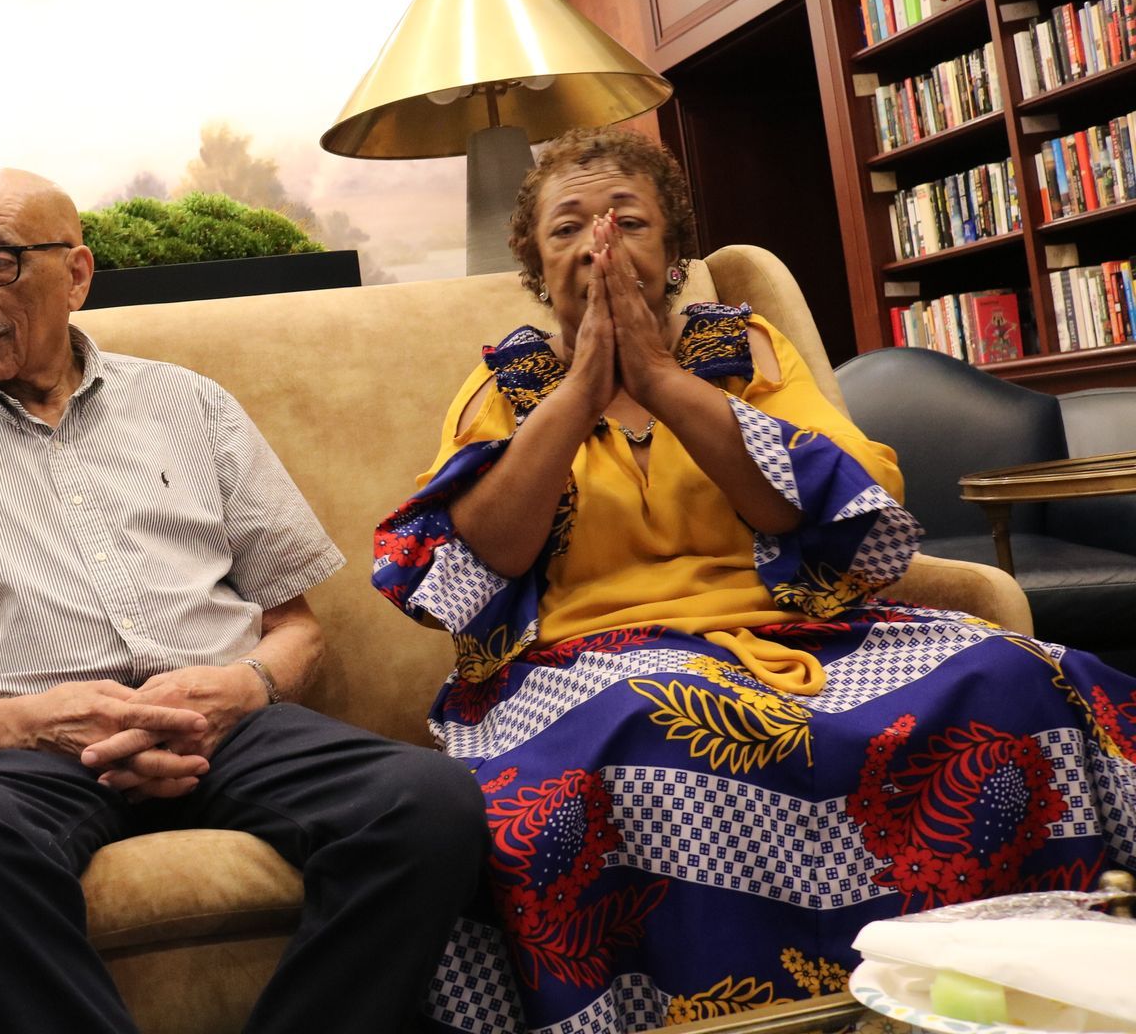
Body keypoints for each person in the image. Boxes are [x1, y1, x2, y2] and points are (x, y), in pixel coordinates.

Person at [373, 127, 1136, 1034]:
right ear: (538, 267)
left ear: (672, 250)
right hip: (586, 663)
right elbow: (483, 551)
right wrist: (580, 392)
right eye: (567, 228)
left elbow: (830, 500)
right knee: (655, 721)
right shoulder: (507, 387)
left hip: (798, 636)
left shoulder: (748, 351)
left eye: (628, 220)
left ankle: (1022, 989)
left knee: (1025, 676)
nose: (598, 244)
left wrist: (657, 375)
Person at [0, 168, 489, 1033]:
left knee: (427, 801)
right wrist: (38, 720)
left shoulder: (188, 404)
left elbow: (295, 629)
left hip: (229, 729)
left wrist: (242, 689)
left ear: (78, 274)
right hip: (33, 756)